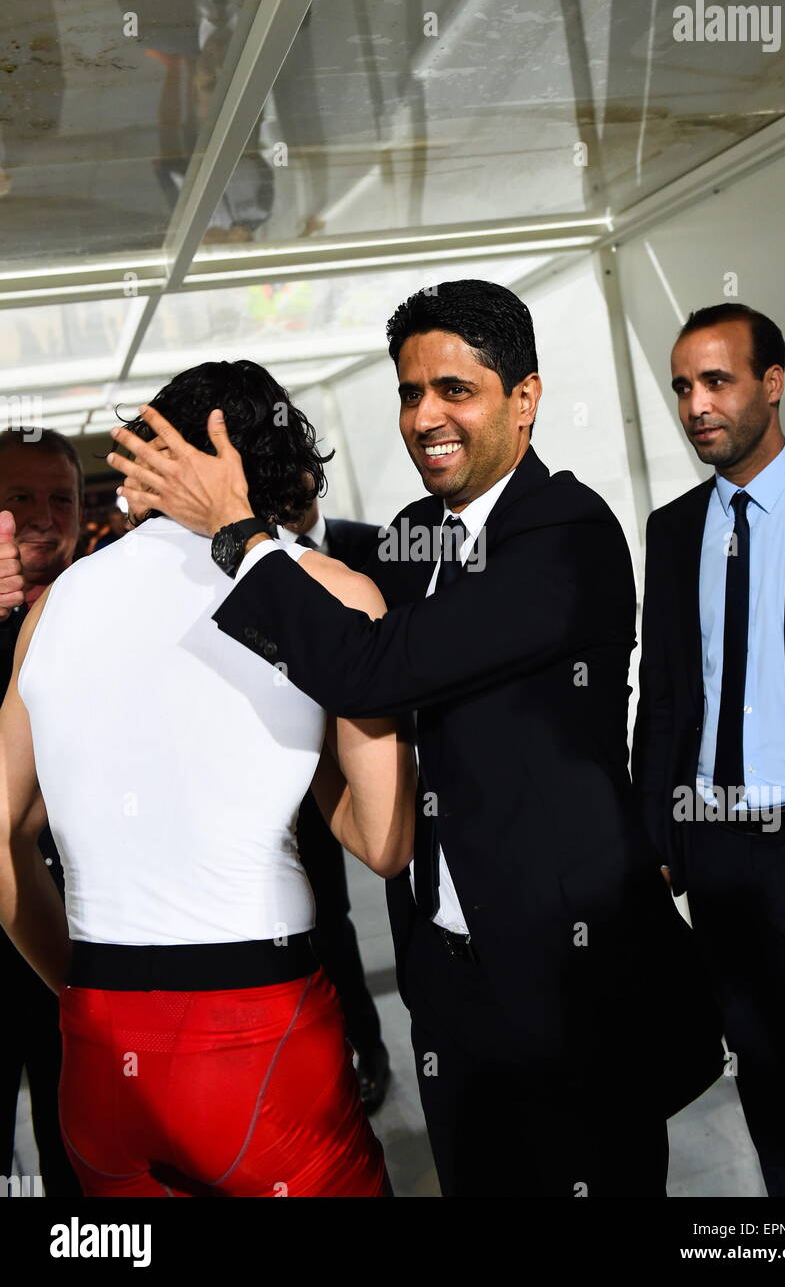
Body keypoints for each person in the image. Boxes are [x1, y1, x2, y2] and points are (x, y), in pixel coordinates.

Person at [106, 280, 723, 1199]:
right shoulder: (405, 537)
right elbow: (347, 699)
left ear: (524, 399)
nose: (423, 415)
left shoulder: (567, 531)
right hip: (444, 980)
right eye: (407, 392)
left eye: (453, 391)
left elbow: (370, 670)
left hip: (568, 974)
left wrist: (239, 532)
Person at [0, 361, 416, 1198]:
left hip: (100, 1043)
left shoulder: (55, 605)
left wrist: (81, 988)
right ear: (277, 464)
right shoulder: (331, 589)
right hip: (258, 1033)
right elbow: (384, 840)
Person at [632, 302, 785, 1198]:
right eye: (683, 385)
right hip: (722, 856)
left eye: (717, 381)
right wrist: (654, 841)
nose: (696, 403)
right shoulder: (671, 529)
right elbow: (663, 696)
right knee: (772, 1086)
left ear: (770, 385)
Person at [289, 497, 391, 1113]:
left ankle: (369, 1052)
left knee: (334, 921)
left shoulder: (375, 545)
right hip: (297, 782)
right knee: (309, 927)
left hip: (376, 760)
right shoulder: (261, 565)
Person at [0, 428, 82, 1198]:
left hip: (79, 949)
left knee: (81, 1161)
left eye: (59, 497)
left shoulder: (101, 616)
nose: (39, 517)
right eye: (17, 497)